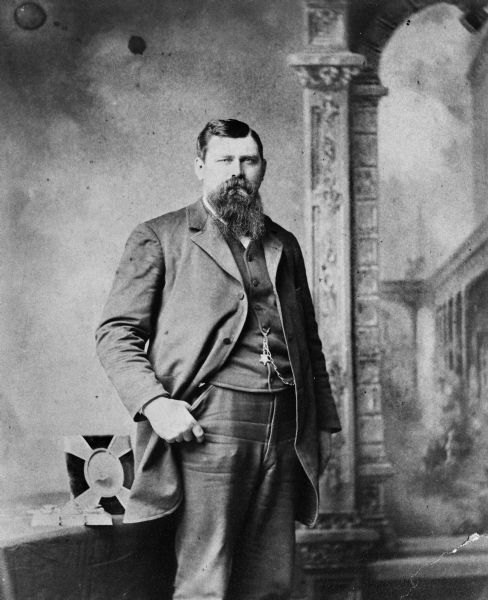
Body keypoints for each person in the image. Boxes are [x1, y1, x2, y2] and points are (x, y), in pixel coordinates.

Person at [96, 118, 341, 600]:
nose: (237, 172)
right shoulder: (160, 237)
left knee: (271, 581)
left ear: (263, 169)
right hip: (209, 427)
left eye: (248, 161)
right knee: (207, 579)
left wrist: (323, 424)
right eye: (225, 160)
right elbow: (116, 334)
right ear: (200, 167)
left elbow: (308, 342)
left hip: (285, 425)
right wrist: (156, 404)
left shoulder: (283, 243)